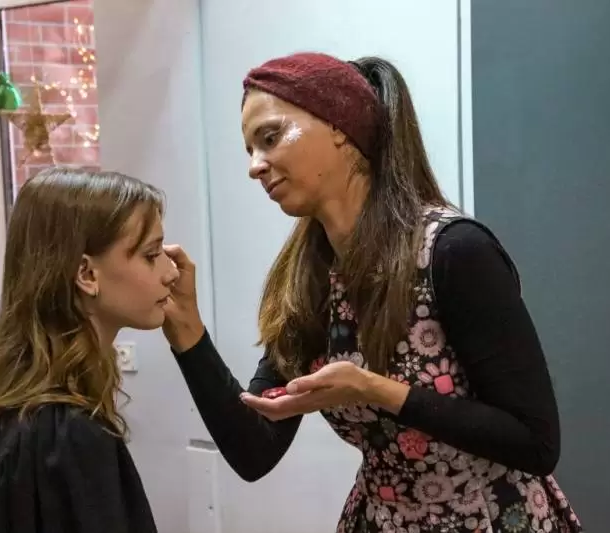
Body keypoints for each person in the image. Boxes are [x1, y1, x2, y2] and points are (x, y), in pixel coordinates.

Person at [162, 53, 584, 532]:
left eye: (271, 137)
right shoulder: (309, 277)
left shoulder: (453, 252)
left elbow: (535, 442)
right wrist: (187, 331)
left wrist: (374, 389)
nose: (254, 167)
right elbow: (254, 448)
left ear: (340, 126)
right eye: (249, 149)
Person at [0, 168, 178, 533]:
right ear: (86, 274)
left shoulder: (15, 417)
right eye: (151, 255)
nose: (171, 273)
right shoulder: (67, 436)